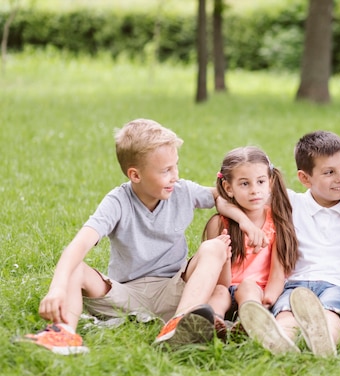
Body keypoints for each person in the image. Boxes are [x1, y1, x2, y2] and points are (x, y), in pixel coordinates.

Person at [14, 118, 263, 354]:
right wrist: (57, 287)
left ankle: (179, 324)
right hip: (126, 294)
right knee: (77, 268)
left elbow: (220, 195)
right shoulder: (118, 202)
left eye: (175, 166)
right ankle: (64, 331)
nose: (175, 175)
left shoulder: (182, 190)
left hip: (175, 290)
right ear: (135, 175)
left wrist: (243, 221)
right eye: (166, 170)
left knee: (215, 248)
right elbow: (78, 245)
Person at [236, 131, 340, 357]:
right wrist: (243, 221)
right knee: (286, 314)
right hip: (295, 283)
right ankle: (280, 342)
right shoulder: (290, 203)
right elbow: (226, 197)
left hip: (338, 285)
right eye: (329, 172)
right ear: (305, 178)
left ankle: (324, 342)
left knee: (330, 313)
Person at [201, 146, 298, 328]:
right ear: (228, 188)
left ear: (270, 183)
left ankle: (249, 322)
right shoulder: (219, 224)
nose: (254, 190)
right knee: (219, 292)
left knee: (247, 286)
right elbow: (217, 280)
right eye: (245, 184)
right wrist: (225, 259)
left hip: (257, 294)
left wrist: (268, 301)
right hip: (224, 288)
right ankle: (213, 323)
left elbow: (278, 274)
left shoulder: (276, 222)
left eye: (260, 182)